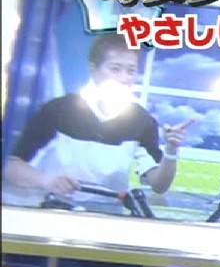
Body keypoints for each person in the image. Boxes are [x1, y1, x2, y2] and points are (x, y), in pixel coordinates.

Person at [6, 33, 190, 198]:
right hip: (52, 209)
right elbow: (11, 166)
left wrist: (171, 151)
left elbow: (159, 186)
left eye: (131, 71)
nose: (124, 78)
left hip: (107, 217)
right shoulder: (58, 110)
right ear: (93, 69)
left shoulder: (142, 121)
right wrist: (48, 181)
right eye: (115, 69)